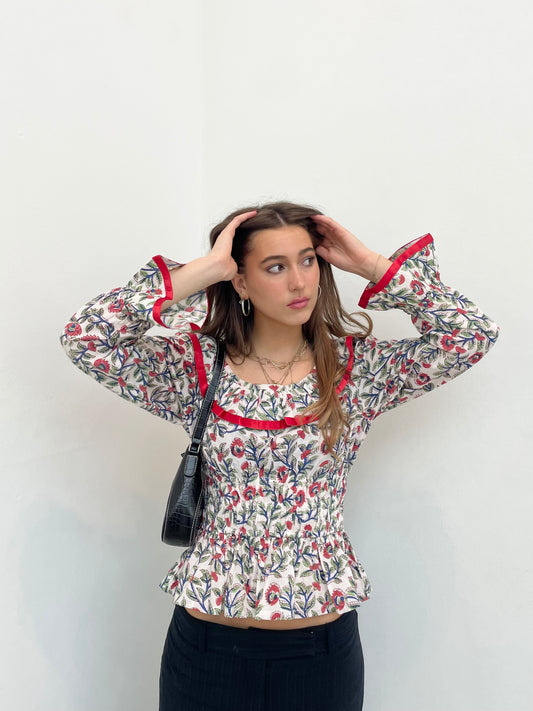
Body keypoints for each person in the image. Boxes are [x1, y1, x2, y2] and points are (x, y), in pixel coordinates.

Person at [61, 201, 499, 711]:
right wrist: (208, 269)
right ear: (240, 281)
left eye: (308, 260)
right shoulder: (194, 367)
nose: (299, 281)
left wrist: (368, 263)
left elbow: (472, 335)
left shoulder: (358, 370)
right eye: (275, 267)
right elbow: (85, 337)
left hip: (318, 654)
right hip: (205, 649)